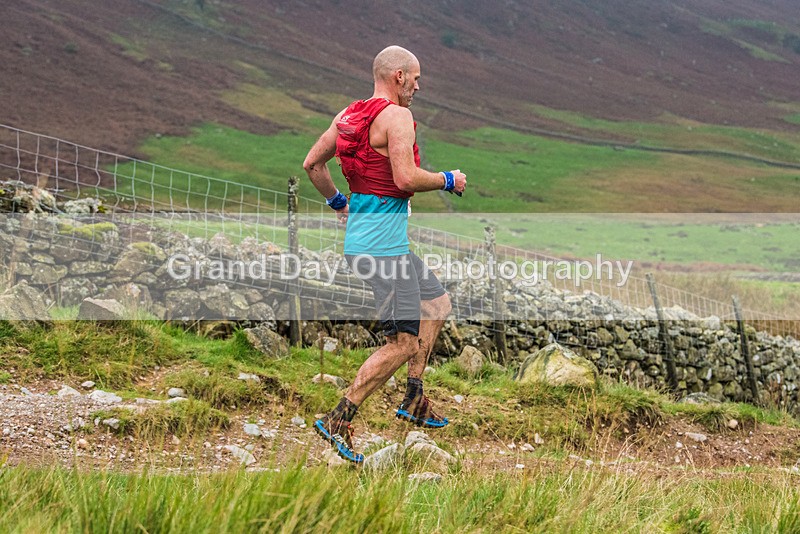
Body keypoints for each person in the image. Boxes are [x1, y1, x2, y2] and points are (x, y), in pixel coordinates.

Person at [302, 45, 467, 463]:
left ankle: (414, 396)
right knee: (402, 343)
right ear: (397, 76)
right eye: (415, 77)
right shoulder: (397, 117)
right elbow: (405, 176)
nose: (418, 85)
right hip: (384, 251)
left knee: (437, 303)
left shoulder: (348, 117)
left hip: (372, 245)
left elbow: (312, 165)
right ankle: (339, 417)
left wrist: (339, 203)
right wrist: (449, 178)